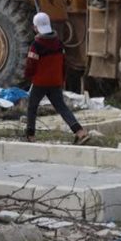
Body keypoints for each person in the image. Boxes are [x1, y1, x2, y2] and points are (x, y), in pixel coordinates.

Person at [23, 12, 90, 145]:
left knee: (32, 107)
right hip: (56, 81)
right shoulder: (58, 43)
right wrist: (62, 79)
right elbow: (63, 64)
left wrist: (28, 76)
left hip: (40, 82)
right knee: (62, 107)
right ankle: (80, 132)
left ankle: (30, 136)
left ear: (36, 27)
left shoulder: (36, 45)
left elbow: (31, 64)